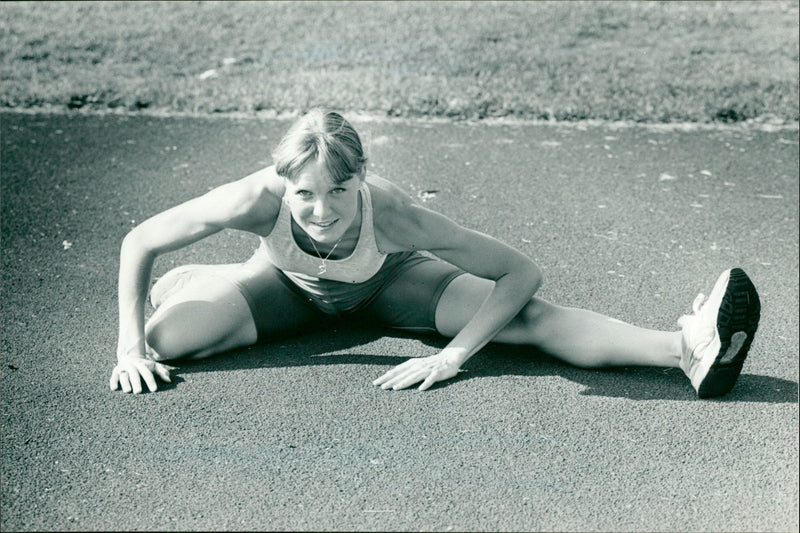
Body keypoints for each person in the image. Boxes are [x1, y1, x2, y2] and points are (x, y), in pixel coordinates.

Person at [110, 109, 761, 398]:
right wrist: (127, 349)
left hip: (391, 284)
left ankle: (685, 348)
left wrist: (454, 356)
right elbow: (140, 240)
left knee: (526, 318)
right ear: (285, 182)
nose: (321, 209)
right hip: (283, 286)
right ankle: (205, 281)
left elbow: (518, 272)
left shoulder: (391, 215)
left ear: (361, 178)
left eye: (338, 190)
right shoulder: (255, 200)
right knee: (163, 342)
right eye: (305, 193)